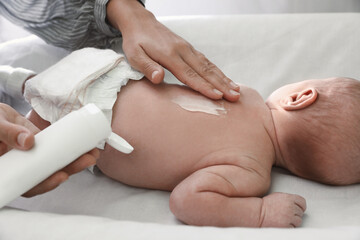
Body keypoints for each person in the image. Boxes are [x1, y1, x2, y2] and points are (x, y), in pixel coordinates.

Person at [23, 49, 360, 228]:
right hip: (91, 134)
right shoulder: (250, 174)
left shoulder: (245, 98)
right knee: (26, 144)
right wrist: (257, 214)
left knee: (33, 107)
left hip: (99, 78)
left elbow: (184, 202)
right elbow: (186, 201)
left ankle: (19, 83)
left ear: (299, 97)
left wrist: (258, 214)